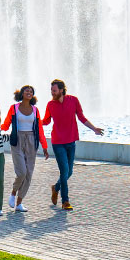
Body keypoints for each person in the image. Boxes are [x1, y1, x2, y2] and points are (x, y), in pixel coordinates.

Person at [43, 78, 104, 211]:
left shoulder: (73, 100)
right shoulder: (50, 104)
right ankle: (65, 201)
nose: (52, 93)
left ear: (61, 90)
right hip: (58, 142)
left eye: (54, 90)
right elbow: (46, 121)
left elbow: (81, 117)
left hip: (71, 141)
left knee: (69, 172)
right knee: (64, 171)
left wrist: (94, 129)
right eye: (51, 90)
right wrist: (32, 120)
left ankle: (56, 187)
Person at [1, 85, 49, 212]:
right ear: (22, 93)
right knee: (21, 172)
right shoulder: (14, 108)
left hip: (32, 141)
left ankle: (19, 203)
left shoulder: (35, 110)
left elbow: (39, 129)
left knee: (28, 174)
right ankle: (13, 192)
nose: (29, 92)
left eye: (31, 91)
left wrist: (44, 146)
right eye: (27, 90)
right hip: (17, 140)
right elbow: (6, 125)